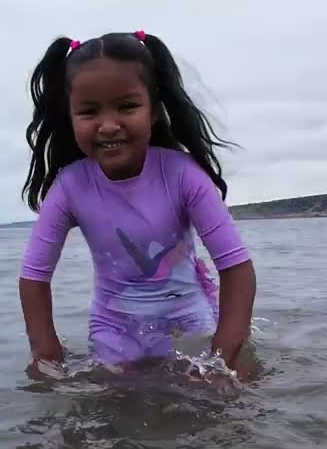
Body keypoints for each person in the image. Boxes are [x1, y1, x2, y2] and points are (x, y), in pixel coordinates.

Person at [17, 29, 258, 381]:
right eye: (89, 111)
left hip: (189, 323)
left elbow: (236, 266)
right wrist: (46, 353)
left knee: (224, 396)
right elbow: (34, 277)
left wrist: (225, 354)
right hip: (113, 330)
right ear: (70, 118)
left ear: (154, 111)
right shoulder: (70, 187)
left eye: (127, 106)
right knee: (108, 407)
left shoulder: (182, 175)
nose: (108, 125)